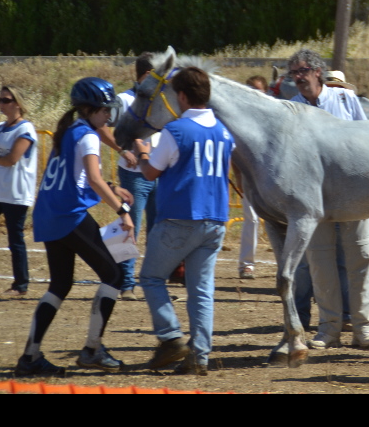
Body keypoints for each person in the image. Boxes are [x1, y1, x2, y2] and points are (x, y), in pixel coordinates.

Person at [16, 78, 135, 377]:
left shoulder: (69, 131)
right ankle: (92, 350)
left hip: (49, 213)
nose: (108, 116)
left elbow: (78, 176)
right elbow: (92, 179)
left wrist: (111, 187)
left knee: (60, 284)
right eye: (104, 110)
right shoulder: (87, 135)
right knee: (114, 274)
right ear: (89, 108)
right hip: (68, 215)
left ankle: (30, 357)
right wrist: (122, 211)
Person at [133, 66, 235, 376]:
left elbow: (151, 173)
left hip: (180, 216)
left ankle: (170, 336)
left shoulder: (175, 131)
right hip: (215, 218)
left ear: (181, 96)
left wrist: (141, 153)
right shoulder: (224, 131)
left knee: (151, 278)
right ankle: (199, 356)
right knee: (201, 290)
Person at [288, 49, 369, 351]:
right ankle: (328, 330)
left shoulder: (345, 100)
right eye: (293, 73)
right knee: (320, 262)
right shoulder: (291, 110)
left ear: (317, 71)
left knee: (360, 259)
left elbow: (367, 141)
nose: (298, 78)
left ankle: (364, 330)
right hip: (313, 200)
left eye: (302, 71)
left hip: (354, 195)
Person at [101, 52, 159, 301]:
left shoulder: (160, 99)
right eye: (157, 74)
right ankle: (125, 283)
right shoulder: (124, 100)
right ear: (146, 75)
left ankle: (153, 281)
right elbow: (101, 126)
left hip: (158, 172)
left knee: (157, 230)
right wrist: (122, 150)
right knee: (128, 226)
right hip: (134, 175)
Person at [0, 86, 37, 297]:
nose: (1, 104)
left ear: (17, 103)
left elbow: (12, 159)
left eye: (6, 100)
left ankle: (20, 285)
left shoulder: (26, 129)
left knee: (15, 239)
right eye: (0, 99)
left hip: (16, 192)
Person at [237, 75, 269, 280]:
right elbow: (235, 150)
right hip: (250, 176)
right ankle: (247, 264)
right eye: (251, 90)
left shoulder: (272, 114)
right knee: (253, 219)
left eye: (259, 90)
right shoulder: (240, 117)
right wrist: (238, 176)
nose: (255, 94)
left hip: (272, 178)